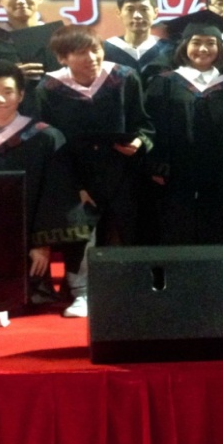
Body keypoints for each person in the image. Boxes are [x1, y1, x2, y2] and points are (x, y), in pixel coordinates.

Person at [0, 59, 89, 304]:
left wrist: (42, 244)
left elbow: (56, 196)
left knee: (28, 300)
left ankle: (75, 291)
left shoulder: (46, 138)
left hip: (31, 244)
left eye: (8, 92)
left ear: (21, 95)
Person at [37, 26, 153, 317]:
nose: (92, 57)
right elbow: (49, 141)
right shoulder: (49, 89)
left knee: (126, 229)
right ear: (63, 58)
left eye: (95, 49)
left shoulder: (124, 78)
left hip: (122, 171)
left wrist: (140, 142)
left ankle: (127, 291)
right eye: (81, 52)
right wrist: (75, 186)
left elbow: (143, 123)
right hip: (75, 174)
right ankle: (82, 294)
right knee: (80, 234)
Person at [145, 10, 223, 244]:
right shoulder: (164, 82)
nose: (203, 49)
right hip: (176, 172)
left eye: (210, 43)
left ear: (219, 48)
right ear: (184, 46)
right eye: (196, 42)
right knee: (176, 226)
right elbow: (155, 126)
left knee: (217, 226)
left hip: (220, 171)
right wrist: (158, 165)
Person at [102, 0, 171, 82]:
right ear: (119, 13)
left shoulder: (168, 49)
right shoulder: (105, 50)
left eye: (144, 9)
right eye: (130, 10)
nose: (137, 16)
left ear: (155, 13)